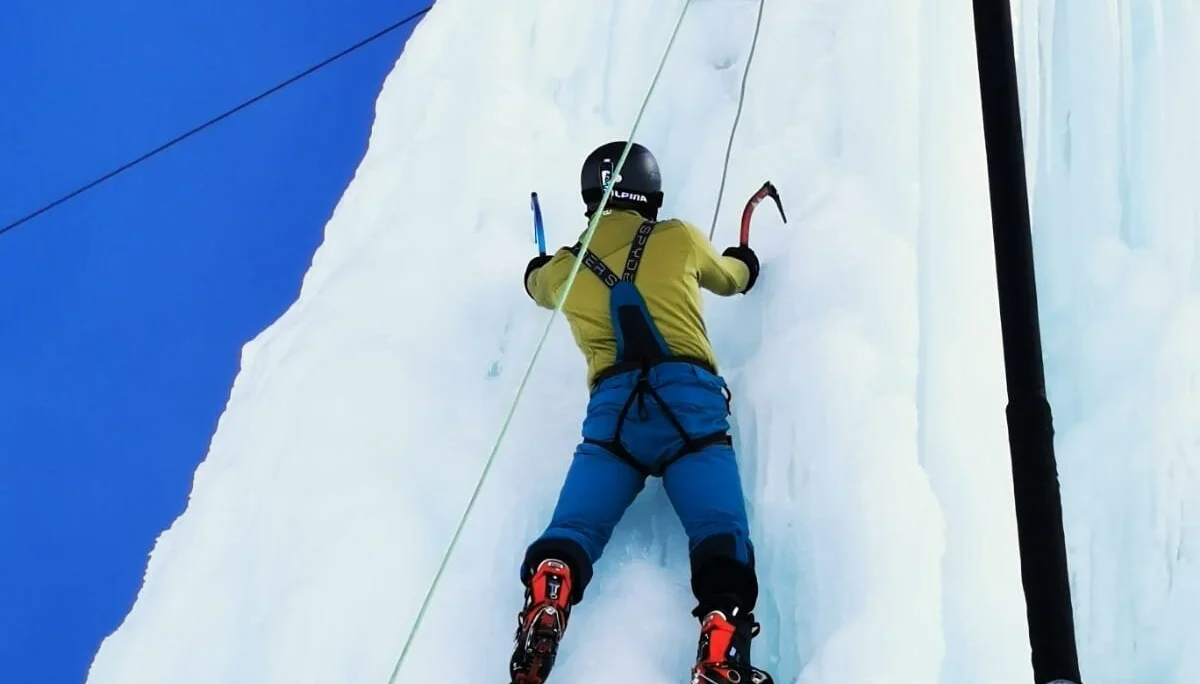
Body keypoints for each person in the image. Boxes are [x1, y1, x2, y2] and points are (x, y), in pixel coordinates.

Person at [509, 141, 773, 684]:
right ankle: (720, 641)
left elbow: (536, 284)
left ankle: (551, 588)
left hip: (614, 415)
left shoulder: (566, 267)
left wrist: (539, 267)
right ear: (649, 192)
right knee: (719, 529)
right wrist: (745, 259)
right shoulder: (675, 237)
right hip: (689, 407)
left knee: (575, 525)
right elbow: (732, 278)